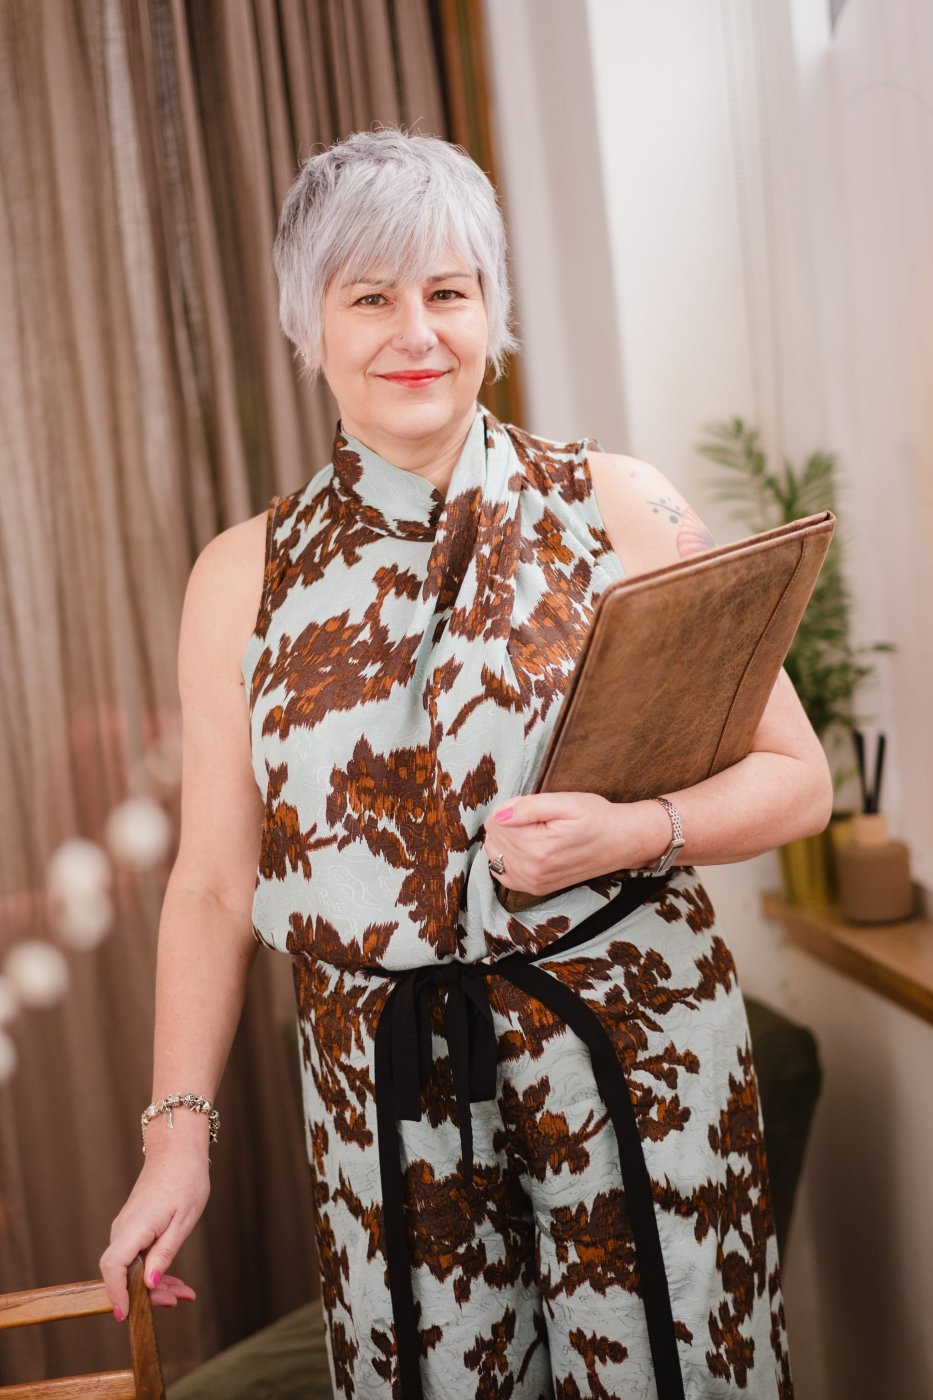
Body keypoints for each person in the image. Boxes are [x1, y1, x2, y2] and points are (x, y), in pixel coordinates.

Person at [101, 127, 830, 1399]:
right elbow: (214, 883)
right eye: (370, 296)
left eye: (448, 290)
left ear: (491, 306)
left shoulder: (620, 503)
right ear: (309, 323)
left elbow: (799, 776)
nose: (416, 333)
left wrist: (631, 830)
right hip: (386, 1106)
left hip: (636, 1060)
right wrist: (178, 1138)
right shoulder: (240, 575)